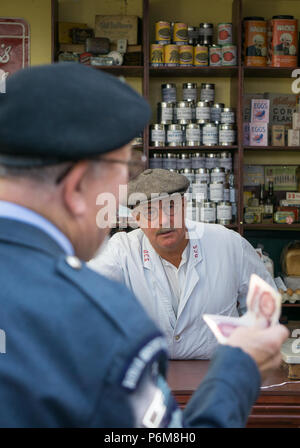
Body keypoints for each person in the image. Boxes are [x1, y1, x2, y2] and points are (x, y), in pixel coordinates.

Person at [0, 63, 288, 428]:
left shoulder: (225, 244)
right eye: (123, 172)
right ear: (77, 187)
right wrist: (239, 368)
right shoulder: (96, 314)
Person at [89, 169, 277, 359]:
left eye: (171, 207)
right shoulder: (122, 250)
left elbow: (265, 304)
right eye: (149, 212)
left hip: (220, 371)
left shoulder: (229, 244)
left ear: (184, 206)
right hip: (150, 375)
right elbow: (84, 293)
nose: (163, 221)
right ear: (137, 219)